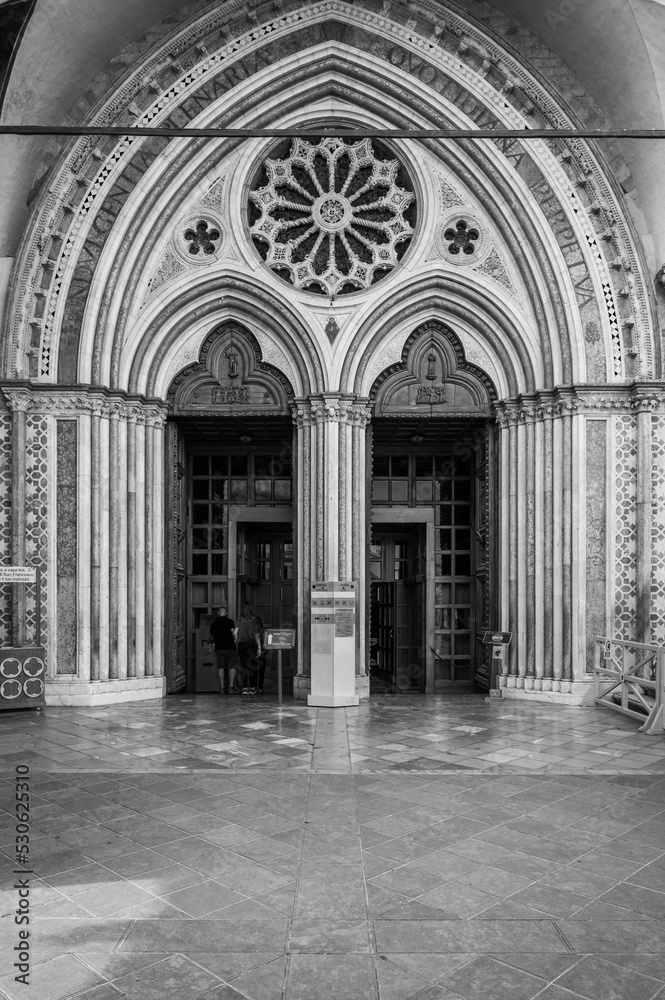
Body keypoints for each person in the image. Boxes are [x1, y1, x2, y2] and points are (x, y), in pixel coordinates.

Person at [235, 602, 263, 695]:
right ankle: (252, 687)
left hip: (242, 645)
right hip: (252, 645)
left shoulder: (240, 620)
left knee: (243, 666)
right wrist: (259, 648)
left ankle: (244, 688)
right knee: (252, 667)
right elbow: (257, 635)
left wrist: (236, 640)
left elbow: (235, 633)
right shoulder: (255, 621)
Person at [208, 606, 236, 695]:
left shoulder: (214, 623)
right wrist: (235, 640)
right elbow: (233, 633)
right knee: (232, 667)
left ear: (219, 613)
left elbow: (211, 637)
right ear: (226, 613)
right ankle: (231, 687)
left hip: (219, 648)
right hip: (230, 647)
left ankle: (222, 687)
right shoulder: (230, 621)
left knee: (221, 667)